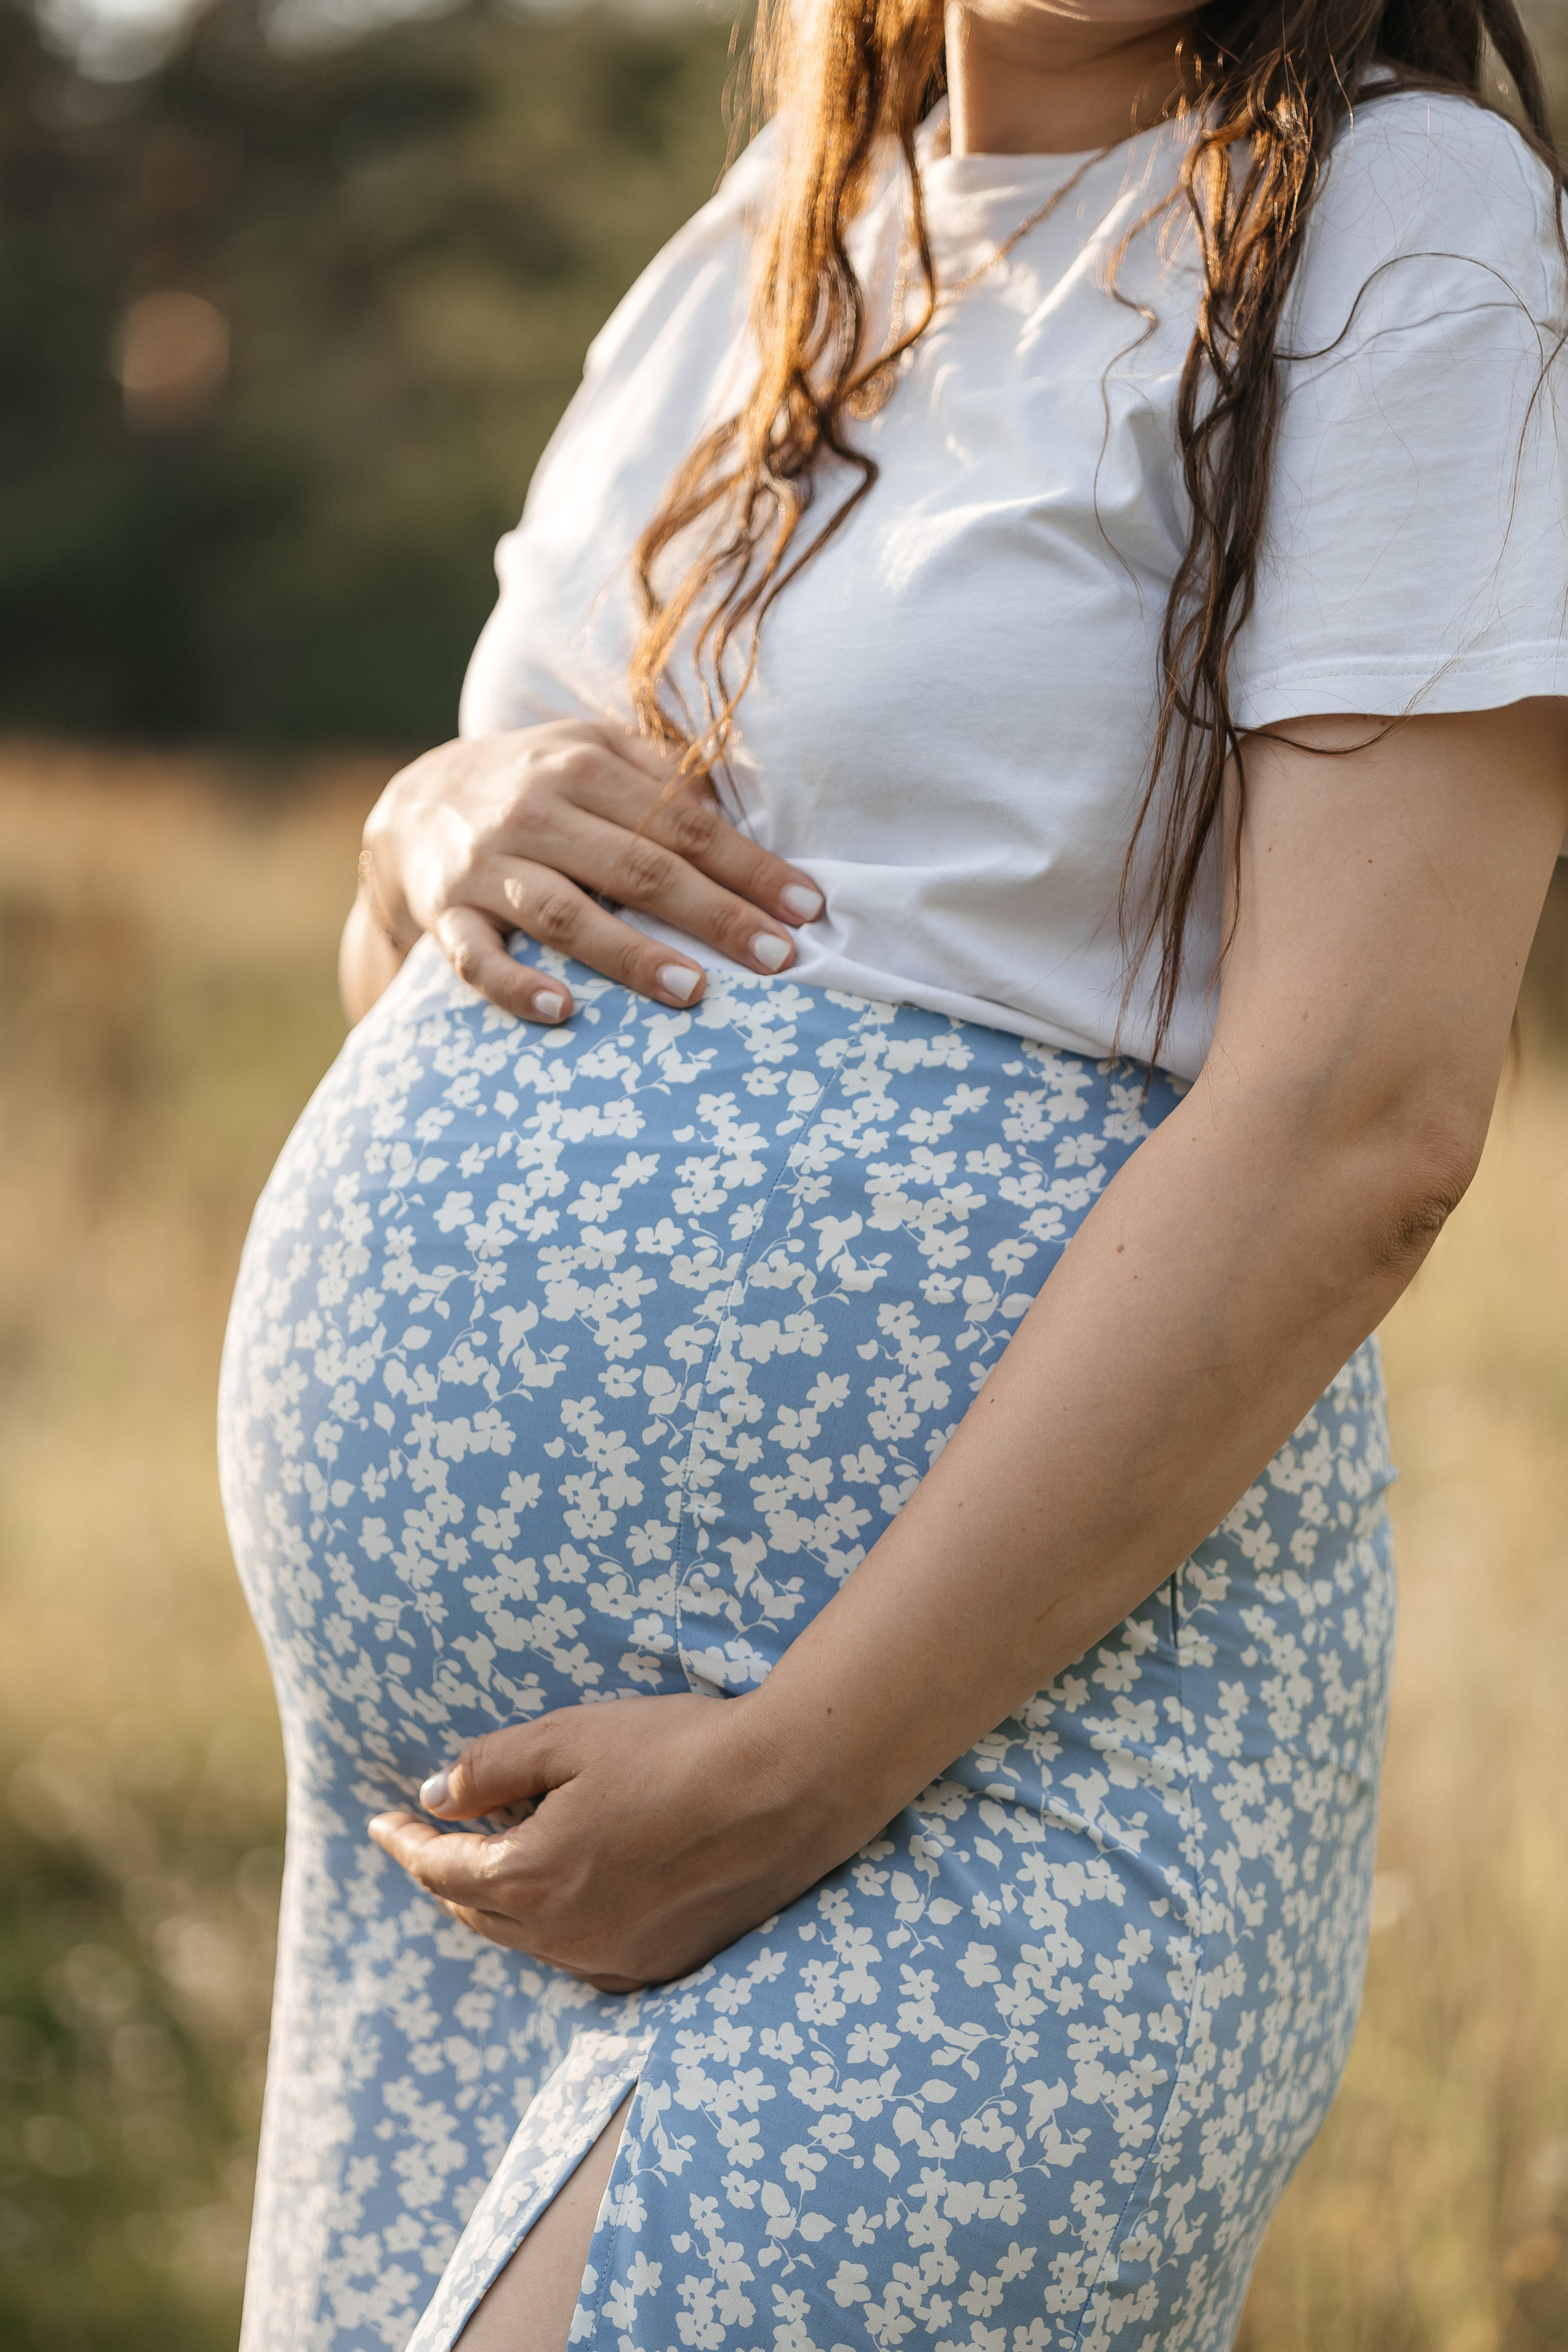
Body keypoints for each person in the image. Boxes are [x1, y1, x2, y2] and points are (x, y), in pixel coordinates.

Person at [217, 0, 1568, 2344]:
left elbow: (1367, 1114)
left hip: (963, 1782)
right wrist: (427, 818)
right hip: (476, 1858)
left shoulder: (1404, 227)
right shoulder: (757, 254)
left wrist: (790, 1773)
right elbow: (441, 949)